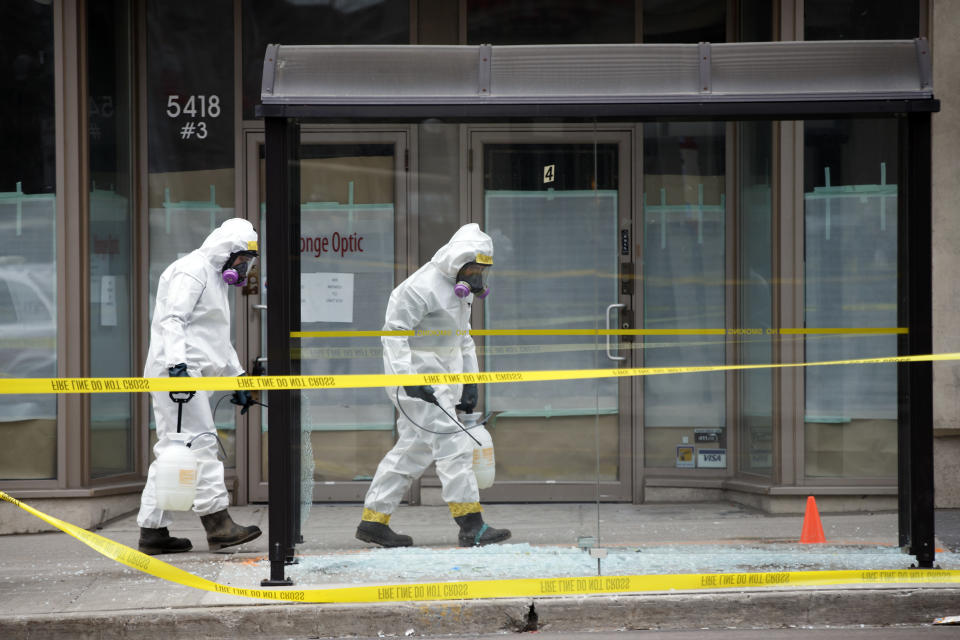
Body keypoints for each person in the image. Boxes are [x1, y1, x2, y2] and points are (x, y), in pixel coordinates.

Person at [356, 223, 511, 548]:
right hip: (419, 385)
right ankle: (471, 525)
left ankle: (373, 520)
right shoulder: (417, 289)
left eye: (482, 270)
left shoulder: (460, 292)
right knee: (455, 447)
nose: (477, 276)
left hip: (442, 385)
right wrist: (407, 381)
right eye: (473, 268)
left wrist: (471, 382)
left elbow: (463, 339)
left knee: (412, 451)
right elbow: (394, 335)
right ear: (457, 262)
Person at [137, 218, 262, 555]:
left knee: (173, 449)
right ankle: (218, 524)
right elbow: (172, 321)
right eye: (241, 260)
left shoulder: (214, 280)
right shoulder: (191, 270)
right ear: (226, 250)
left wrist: (237, 379)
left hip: (189, 376)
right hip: (179, 376)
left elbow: (215, 338)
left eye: (247, 263)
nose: (243, 267)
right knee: (202, 444)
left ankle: (153, 531)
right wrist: (177, 366)